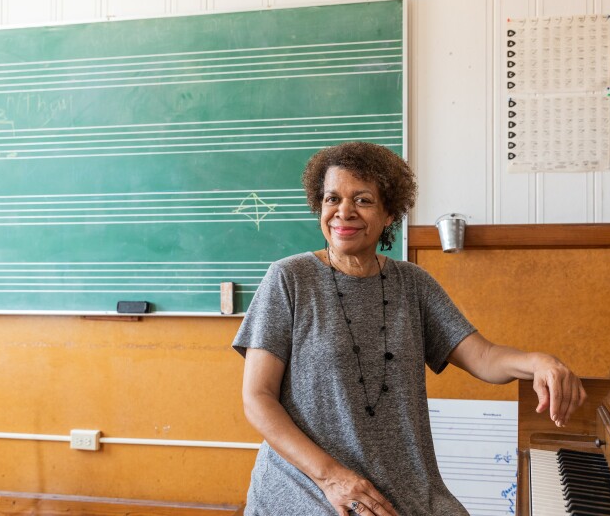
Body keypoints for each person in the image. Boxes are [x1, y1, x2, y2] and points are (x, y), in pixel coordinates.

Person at [232, 142, 587, 515]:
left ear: (389, 214)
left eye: (363, 200)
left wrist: (540, 363)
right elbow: (257, 399)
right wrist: (332, 478)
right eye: (331, 198)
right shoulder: (289, 279)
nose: (344, 212)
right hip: (310, 484)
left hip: (406, 486)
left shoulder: (412, 283)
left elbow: (482, 356)